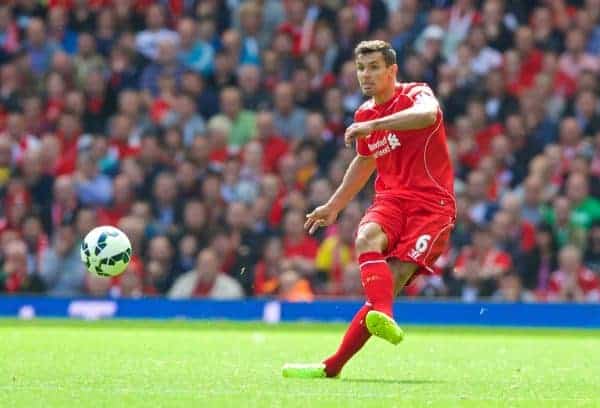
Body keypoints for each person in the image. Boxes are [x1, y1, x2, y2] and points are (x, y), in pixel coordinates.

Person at [282, 40, 456, 379]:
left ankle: (333, 365)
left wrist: (376, 126)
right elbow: (365, 160)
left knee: (393, 279)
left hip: (431, 205)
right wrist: (334, 205)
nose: (366, 75)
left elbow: (429, 115)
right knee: (365, 239)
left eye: (374, 67)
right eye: (361, 68)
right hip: (391, 199)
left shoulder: (417, 94)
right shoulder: (364, 113)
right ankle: (383, 315)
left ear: (392, 71)